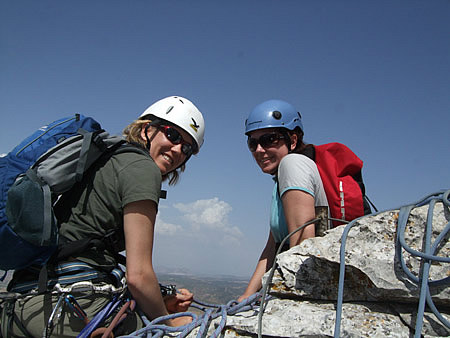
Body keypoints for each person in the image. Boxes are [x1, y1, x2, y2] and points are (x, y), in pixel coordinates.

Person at [2, 96, 205, 337]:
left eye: (187, 148)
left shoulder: (107, 158)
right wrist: (169, 323)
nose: (178, 150)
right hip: (69, 309)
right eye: (172, 135)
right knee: (192, 324)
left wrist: (160, 298)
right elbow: (139, 276)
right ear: (146, 128)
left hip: (24, 304)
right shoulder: (143, 169)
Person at [238, 99, 328, 302]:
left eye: (270, 139)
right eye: (253, 143)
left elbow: (302, 240)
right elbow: (273, 246)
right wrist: (246, 296)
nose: (259, 149)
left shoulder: (292, 164)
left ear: (293, 140)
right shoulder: (281, 182)